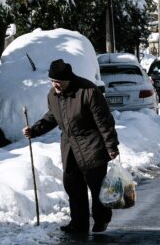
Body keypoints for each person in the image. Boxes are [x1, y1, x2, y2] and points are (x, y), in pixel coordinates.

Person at [23, 59, 120, 235]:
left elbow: (104, 121)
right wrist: (34, 130)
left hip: (93, 147)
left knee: (97, 189)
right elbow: (52, 116)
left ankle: (101, 219)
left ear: (68, 79)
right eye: (52, 81)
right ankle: (79, 223)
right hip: (70, 149)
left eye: (58, 82)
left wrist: (111, 146)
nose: (55, 85)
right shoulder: (53, 95)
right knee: (73, 187)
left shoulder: (88, 91)